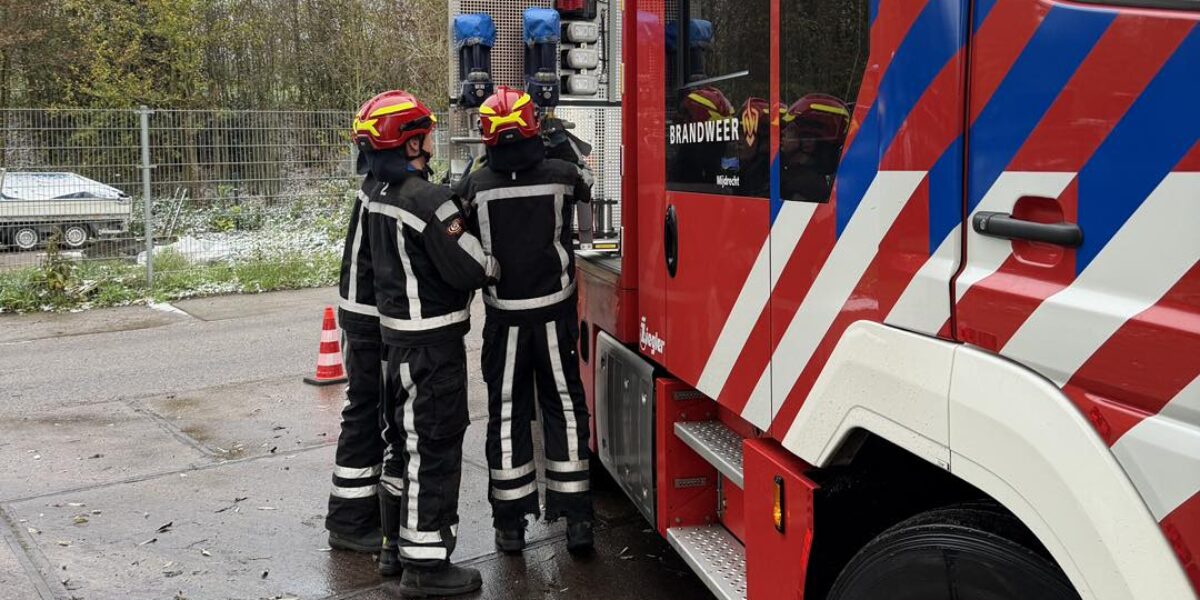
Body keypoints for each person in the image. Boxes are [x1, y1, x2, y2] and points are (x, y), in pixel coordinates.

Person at [355, 89, 498, 596]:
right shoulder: (429, 201)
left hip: (394, 347)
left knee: (402, 449)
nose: (432, 141)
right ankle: (428, 566)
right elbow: (470, 267)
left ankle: (394, 548)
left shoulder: (376, 194)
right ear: (411, 142)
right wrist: (491, 259)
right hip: (433, 351)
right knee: (434, 450)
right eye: (426, 134)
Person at [455, 86, 595, 555]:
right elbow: (588, 181)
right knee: (565, 409)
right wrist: (558, 142)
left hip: (505, 320)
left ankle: (510, 526)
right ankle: (577, 520)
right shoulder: (562, 174)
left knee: (508, 414)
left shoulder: (476, 186)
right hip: (555, 315)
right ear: (535, 127)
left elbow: (454, 218)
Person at [324, 116, 387, 555]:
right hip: (371, 323)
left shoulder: (372, 188)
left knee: (363, 413)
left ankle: (353, 514)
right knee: (368, 415)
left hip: (359, 317)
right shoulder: (385, 194)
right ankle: (349, 521)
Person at [780, 93, 851, 203]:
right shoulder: (797, 176)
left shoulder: (805, 186)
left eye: (791, 129)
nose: (782, 132)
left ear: (808, 142)